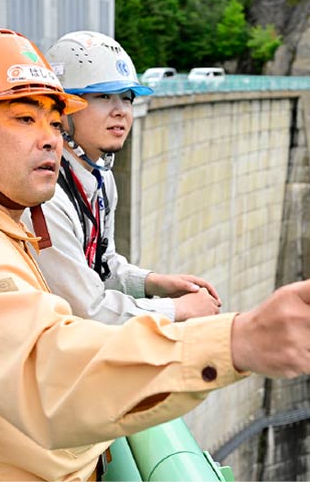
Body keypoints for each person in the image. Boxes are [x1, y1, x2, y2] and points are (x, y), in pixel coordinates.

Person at [0, 28, 310, 481]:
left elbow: (100, 269)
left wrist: (152, 283)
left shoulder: (7, 223)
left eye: (54, 119)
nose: (50, 136)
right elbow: (52, 374)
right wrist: (235, 341)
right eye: (24, 118)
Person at [23, 30, 220, 325]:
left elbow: (103, 265)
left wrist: (154, 282)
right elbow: (86, 308)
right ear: (62, 109)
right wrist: (178, 309)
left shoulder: (100, 177)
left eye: (126, 98)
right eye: (103, 96)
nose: (120, 111)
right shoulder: (44, 195)